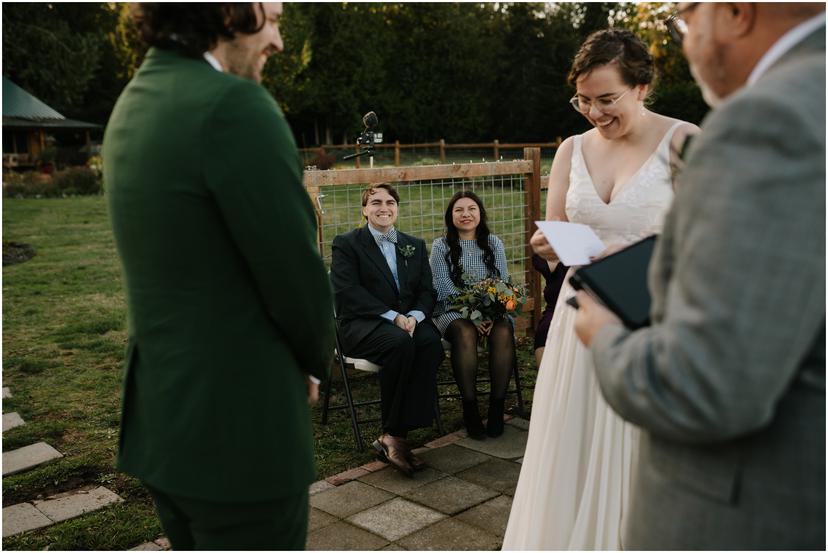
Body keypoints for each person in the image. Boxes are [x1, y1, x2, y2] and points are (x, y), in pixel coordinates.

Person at [573, 4, 825, 549]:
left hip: (751, 509)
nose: (685, 41)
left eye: (687, 18)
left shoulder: (770, 120)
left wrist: (604, 334)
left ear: (735, 11)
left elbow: (705, 386)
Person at [104, 4, 335, 550]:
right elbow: (296, 275)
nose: (278, 40)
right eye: (273, 18)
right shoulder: (234, 106)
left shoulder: (135, 100)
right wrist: (311, 361)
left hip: (166, 425)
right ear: (229, 8)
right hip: (240, 432)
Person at [503, 28, 698, 550]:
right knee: (573, 446)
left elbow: (713, 249)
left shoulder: (684, 142)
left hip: (650, 322)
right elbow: (556, 227)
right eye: (583, 100)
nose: (593, 112)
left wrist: (630, 255)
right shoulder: (569, 149)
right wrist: (548, 244)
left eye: (606, 99)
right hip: (580, 320)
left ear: (641, 87)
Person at [330, 184, 444, 477]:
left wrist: (416, 317)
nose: (384, 207)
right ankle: (395, 434)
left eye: (390, 202)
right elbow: (347, 292)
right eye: (376, 202)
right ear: (364, 210)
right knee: (400, 344)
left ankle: (398, 436)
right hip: (360, 324)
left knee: (430, 342)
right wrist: (394, 317)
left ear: (397, 208)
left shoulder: (413, 244)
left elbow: (427, 291)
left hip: (407, 321)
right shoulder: (347, 243)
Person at [430, 191, 514, 439]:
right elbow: (443, 286)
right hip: (452, 309)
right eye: (459, 210)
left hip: (491, 309)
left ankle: (497, 406)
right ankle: (470, 408)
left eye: (471, 209)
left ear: (480, 214)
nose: (465, 214)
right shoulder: (440, 246)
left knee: (503, 330)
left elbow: (503, 282)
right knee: (465, 332)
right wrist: (473, 315)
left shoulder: (494, 243)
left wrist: (490, 312)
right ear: (450, 216)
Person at [530, 254, 567, 367]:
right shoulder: (552, 245)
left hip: (589, 306)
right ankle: (545, 381)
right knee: (545, 329)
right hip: (556, 308)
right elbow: (545, 266)